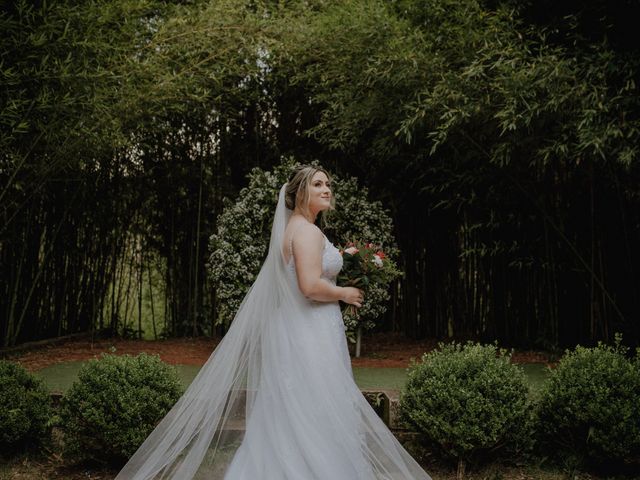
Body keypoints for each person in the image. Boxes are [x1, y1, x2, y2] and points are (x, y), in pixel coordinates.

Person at [115, 165, 431, 479]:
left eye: (328, 184)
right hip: (309, 332)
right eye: (318, 184)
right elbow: (308, 286)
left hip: (298, 328)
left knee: (295, 408)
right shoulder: (306, 231)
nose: (326, 189)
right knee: (316, 407)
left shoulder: (292, 228)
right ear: (299, 193)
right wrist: (345, 292)